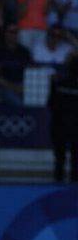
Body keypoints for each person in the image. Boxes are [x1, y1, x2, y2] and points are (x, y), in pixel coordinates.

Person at [48, 51, 78, 183]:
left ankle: (58, 185)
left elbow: (50, 104)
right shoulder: (58, 83)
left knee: (59, 159)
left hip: (59, 126)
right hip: (73, 128)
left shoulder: (58, 83)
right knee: (76, 160)